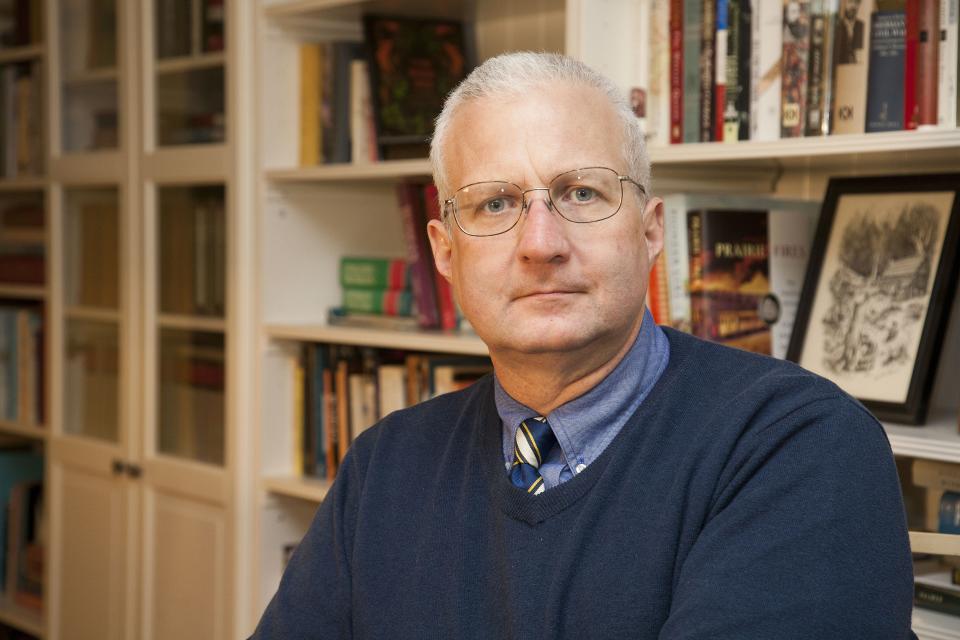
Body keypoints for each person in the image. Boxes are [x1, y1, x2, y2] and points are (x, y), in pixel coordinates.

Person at [251, 52, 915, 639]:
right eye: (495, 205)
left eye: (581, 192)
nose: (542, 243)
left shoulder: (796, 445)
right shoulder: (384, 468)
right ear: (444, 251)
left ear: (650, 231)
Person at [836, 0, 865, 65]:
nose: (853, 6)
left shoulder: (861, 25)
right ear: (844, 3)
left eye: (856, 3)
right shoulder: (837, 26)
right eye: (850, 1)